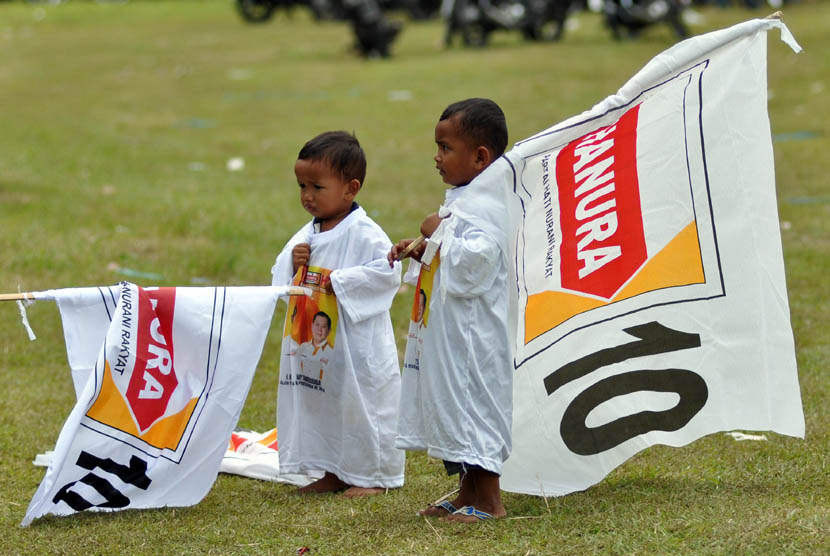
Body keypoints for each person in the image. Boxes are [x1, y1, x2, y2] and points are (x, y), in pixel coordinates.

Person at [389, 98, 512, 522]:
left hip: (476, 335)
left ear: (480, 158)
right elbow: (448, 250)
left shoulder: (490, 205)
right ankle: (466, 492)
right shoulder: (465, 198)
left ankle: (490, 500)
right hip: (452, 332)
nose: (436, 157)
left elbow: (476, 263)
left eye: (445, 148)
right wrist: (419, 247)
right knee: (455, 405)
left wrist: (435, 229)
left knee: (477, 404)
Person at [271, 130, 405, 497]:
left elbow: (388, 273)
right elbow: (280, 280)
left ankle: (372, 476)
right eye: (301, 186)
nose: (307, 196)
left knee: (361, 408)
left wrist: (339, 282)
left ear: (350, 188)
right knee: (324, 405)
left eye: (317, 186)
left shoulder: (365, 234)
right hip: (321, 348)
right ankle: (331, 470)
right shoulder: (308, 233)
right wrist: (293, 264)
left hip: (357, 347)